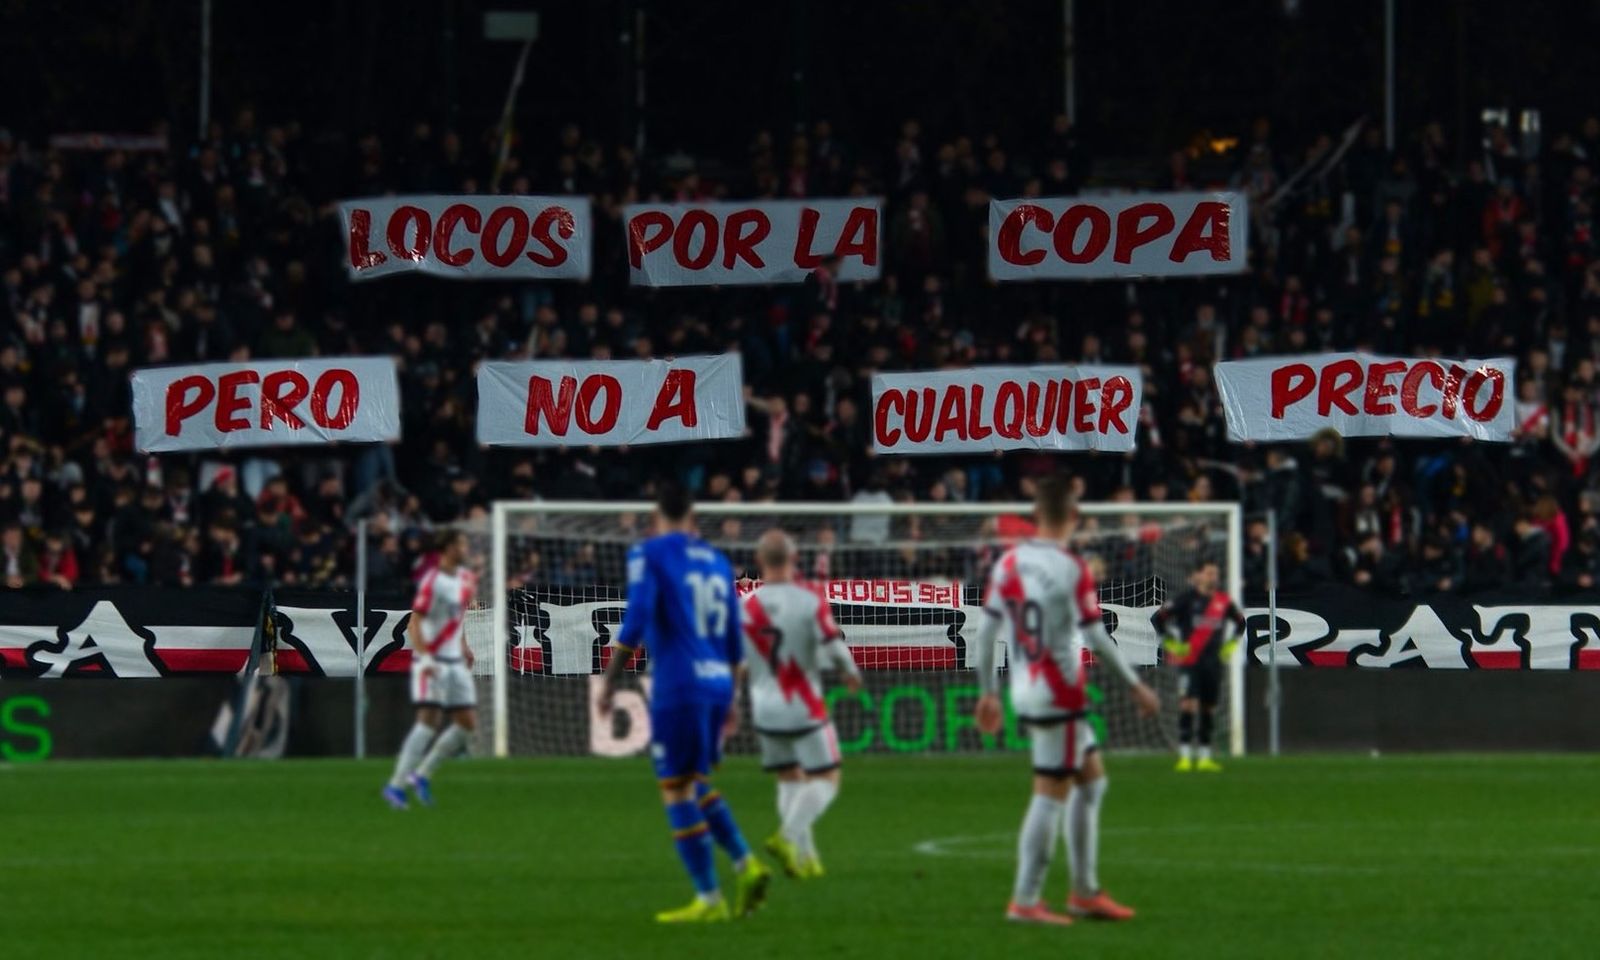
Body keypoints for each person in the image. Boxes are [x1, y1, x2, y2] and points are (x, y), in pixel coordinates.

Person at [971, 475, 1161, 925]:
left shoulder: (1008, 563)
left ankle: (1085, 891)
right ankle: (1026, 899)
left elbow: (986, 631)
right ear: (1075, 516)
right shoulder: (1071, 567)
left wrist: (987, 693)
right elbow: (1095, 634)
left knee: (1091, 781)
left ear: (1033, 516)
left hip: (1025, 684)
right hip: (1058, 688)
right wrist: (1135, 684)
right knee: (1050, 790)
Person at [597, 483, 771, 923]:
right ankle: (744, 865)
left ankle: (710, 897)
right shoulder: (718, 561)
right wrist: (731, 698)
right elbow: (735, 639)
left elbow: (636, 617)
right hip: (716, 685)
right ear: (694, 520)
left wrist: (609, 679)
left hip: (679, 684)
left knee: (674, 788)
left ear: (657, 519)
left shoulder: (649, 553)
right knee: (693, 780)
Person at [739, 529, 862, 879]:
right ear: (794, 560)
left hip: (763, 706)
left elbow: (736, 661)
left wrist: (730, 702)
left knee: (789, 778)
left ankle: (806, 859)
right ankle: (787, 837)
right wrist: (850, 671)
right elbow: (832, 643)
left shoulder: (745, 605)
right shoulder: (808, 599)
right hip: (802, 703)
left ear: (760, 562)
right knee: (827, 778)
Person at [383, 530, 478, 809]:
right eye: (461, 543)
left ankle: (421, 775)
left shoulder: (466, 580)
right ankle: (395, 786)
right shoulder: (432, 581)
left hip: (454, 661)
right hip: (433, 661)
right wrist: (424, 659)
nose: (466, 548)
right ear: (447, 549)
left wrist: (463, 644)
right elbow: (415, 623)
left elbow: (454, 619)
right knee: (428, 723)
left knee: (466, 726)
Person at [1152, 560, 1245, 772]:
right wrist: (1171, 643)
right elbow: (1158, 619)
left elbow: (1241, 623)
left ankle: (1204, 757)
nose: (1213, 577)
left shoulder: (1223, 601)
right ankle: (1184, 756)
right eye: (1209, 573)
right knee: (1188, 705)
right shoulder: (1186, 599)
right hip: (1190, 661)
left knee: (1208, 708)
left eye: (1216, 574)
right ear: (1200, 575)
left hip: (1213, 663)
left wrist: (1230, 644)